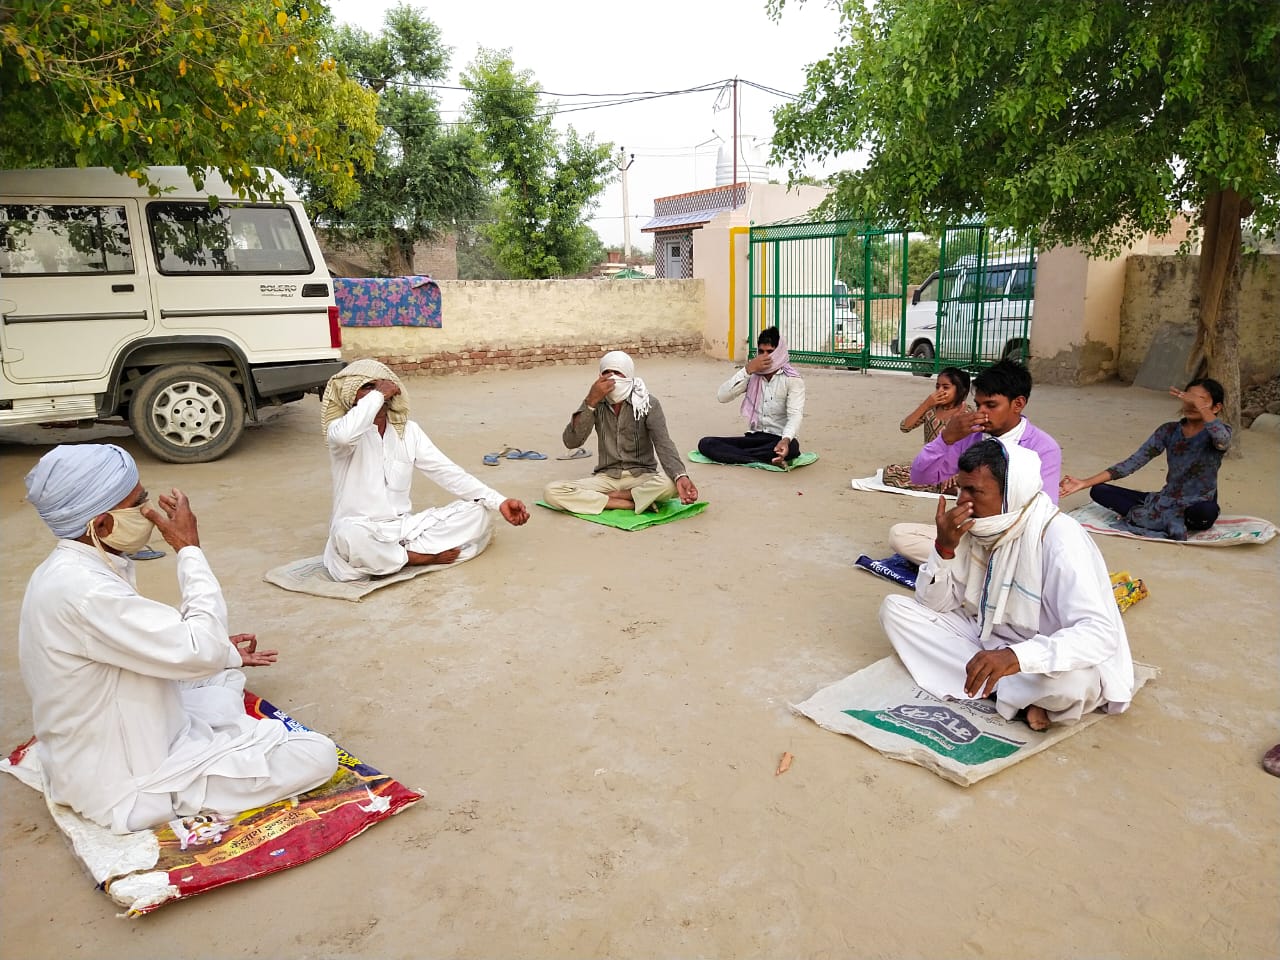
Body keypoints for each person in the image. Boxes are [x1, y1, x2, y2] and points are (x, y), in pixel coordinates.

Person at [19, 443, 338, 834]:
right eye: (140, 504)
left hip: (98, 741)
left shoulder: (66, 568)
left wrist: (219, 654)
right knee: (317, 755)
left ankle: (215, 705)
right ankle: (183, 787)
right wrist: (189, 550)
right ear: (102, 525)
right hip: (125, 781)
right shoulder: (85, 591)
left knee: (221, 671)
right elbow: (199, 650)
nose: (150, 513)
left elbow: (172, 647)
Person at [879, 439, 1135, 731]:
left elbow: (1099, 635)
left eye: (975, 491)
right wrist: (944, 549)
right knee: (896, 610)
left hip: (1047, 652)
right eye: (961, 488)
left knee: (1071, 685)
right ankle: (1015, 694)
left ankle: (1000, 686)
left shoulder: (1059, 537)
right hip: (989, 636)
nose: (963, 501)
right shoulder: (980, 526)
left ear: (1011, 493)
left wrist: (1017, 657)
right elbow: (935, 604)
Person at [321, 358, 529, 582]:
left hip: (404, 529)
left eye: (383, 386)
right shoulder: (341, 433)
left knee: (479, 512)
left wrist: (499, 501)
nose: (380, 393)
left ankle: (390, 557)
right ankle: (415, 558)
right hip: (361, 529)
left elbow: (447, 472)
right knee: (347, 535)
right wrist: (378, 394)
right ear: (350, 397)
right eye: (368, 388)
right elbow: (343, 436)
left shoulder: (409, 431)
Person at [888, 359, 1062, 564]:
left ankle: (973, 566)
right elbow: (920, 476)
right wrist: (945, 439)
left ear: (1018, 404)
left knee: (1043, 555)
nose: (981, 413)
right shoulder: (971, 436)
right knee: (899, 535)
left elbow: (1043, 514)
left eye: (991, 405)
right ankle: (972, 566)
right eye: (979, 405)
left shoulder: (1042, 447)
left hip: (1014, 540)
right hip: (968, 532)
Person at [1059, 379, 1230, 541]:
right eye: (1189, 398)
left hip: (1197, 505)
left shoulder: (1217, 432)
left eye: (1200, 400)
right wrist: (1084, 482)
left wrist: (1201, 407)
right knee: (1099, 491)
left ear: (1216, 407)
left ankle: (1152, 519)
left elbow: (1222, 440)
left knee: (1207, 511)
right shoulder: (1169, 430)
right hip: (1166, 499)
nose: (1192, 404)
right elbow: (1132, 463)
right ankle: (1161, 519)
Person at [544, 350, 699, 514]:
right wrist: (590, 401)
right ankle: (627, 503)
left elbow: (663, 443)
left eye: (617, 373)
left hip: (642, 476)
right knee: (552, 491)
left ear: (628, 376)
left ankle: (616, 496)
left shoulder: (648, 403)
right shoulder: (596, 402)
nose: (612, 378)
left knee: (670, 484)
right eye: (606, 373)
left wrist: (680, 476)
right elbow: (572, 442)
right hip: (607, 477)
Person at [697, 326, 806, 466]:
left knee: (793, 447)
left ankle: (749, 457)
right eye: (761, 352)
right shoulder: (752, 375)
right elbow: (722, 396)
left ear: (779, 353)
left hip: (779, 439)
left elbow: (795, 415)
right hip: (755, 438)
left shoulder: (793, 380)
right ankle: (758, 459)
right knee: (706, 443)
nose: (765, 357)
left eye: (770, 352)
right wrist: (747, 370)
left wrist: (785, 440)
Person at [882, 366, 972, 491]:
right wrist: (926, 404)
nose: (940, 391)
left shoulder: (967, 414)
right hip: (930, 466)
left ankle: (944, 485)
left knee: (965, 479)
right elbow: (905, 427)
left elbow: (971, 450)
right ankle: (940, 486)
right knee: (890, 472)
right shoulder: (931, 410)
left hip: (955, 468)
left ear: (960, 390)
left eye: (946, 387)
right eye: (937, 387)